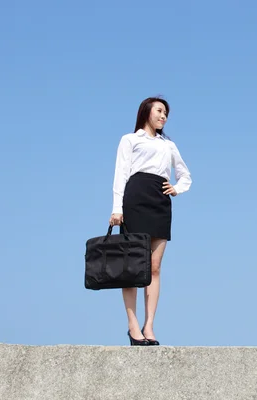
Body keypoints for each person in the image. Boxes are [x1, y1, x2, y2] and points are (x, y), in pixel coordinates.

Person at [109, 96, 192, 346]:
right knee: (133, 267)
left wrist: (177, 189)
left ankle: (149, 326)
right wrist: (116, 208)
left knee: (155, 268)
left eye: (166, 113)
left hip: (159, 201)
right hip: (134, 199)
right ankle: (133, 326)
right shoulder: (130, 139)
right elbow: (121, 173)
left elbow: (185, 174)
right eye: (159, 111)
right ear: (146, 111)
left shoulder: (169, 145)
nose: (163, 116)